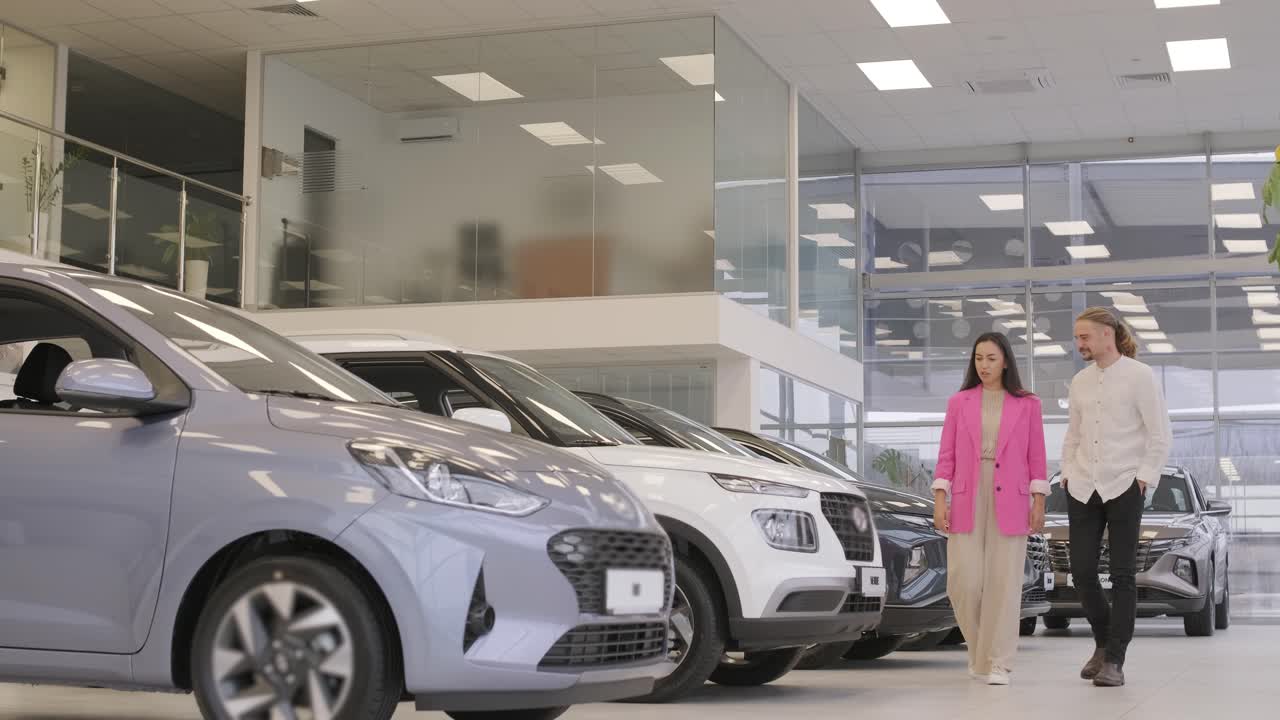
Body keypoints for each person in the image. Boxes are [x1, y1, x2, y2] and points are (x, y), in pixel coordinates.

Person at [1061, 308, 1171, 688]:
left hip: (1125, 483)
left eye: (1085, 337)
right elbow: (1072, 434)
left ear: (1108, 334)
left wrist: (1144, 478)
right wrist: (1066, 472)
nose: (1079, 344)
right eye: (1077, 338)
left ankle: (1115, 661)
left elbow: (1159, 433)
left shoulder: (1140, 376)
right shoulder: (1079, 381)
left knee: (1123, 575)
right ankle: (1102, 642)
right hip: (1081, 486)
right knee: (1082, 572)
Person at [932, 332, 1048, 686]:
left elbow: (1037, 459)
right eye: (979, 358)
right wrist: (940, 499)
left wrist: (1038, 502)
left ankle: (999, 661)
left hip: (1010, 499)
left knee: (1004, 583)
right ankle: (979, 653)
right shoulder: (959, 402)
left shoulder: (1028, 404)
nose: (984, 365)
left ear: (1006, 361)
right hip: (968, 495)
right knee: (962, 582)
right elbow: (946, 456)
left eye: (991, 358)